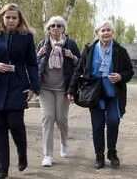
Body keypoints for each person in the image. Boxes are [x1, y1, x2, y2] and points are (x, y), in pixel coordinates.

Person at [0, 3, 40, 179]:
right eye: (8, 17)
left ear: (19, 19)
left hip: (17, 85)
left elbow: (32, 63)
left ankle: (22, 153)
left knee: (16, 124)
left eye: (14, 17)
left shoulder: (27, 37)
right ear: (2, 18)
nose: (11, 20)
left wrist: (34, 87)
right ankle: (2, 169)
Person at [67, 21, 134, 170]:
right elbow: (78, 70)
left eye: (109, 30)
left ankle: (112, 153)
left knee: (113, 122)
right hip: (94, 94)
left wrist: (121, 76)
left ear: (113, 33)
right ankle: (99, 155)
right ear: (97, 33)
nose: (106, 33)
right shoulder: (89, 49)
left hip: (113, 93)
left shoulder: (120, 50)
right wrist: (71, 90)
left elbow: (130, 71)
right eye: (103, 30)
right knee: (97, 126)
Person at [36, 16, 80, 167]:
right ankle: (47, 155)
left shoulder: (71, 44)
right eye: (52, 26)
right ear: (48, 29)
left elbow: (80, 65)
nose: (55, 28)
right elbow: (34, 65)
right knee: (48, 118)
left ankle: (64, 142)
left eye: (59, 25)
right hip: (45, 88)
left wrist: (72, 56)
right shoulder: (42, 44)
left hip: (63, 88)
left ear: (63, 29)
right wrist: (38, 55)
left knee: (61, 119)